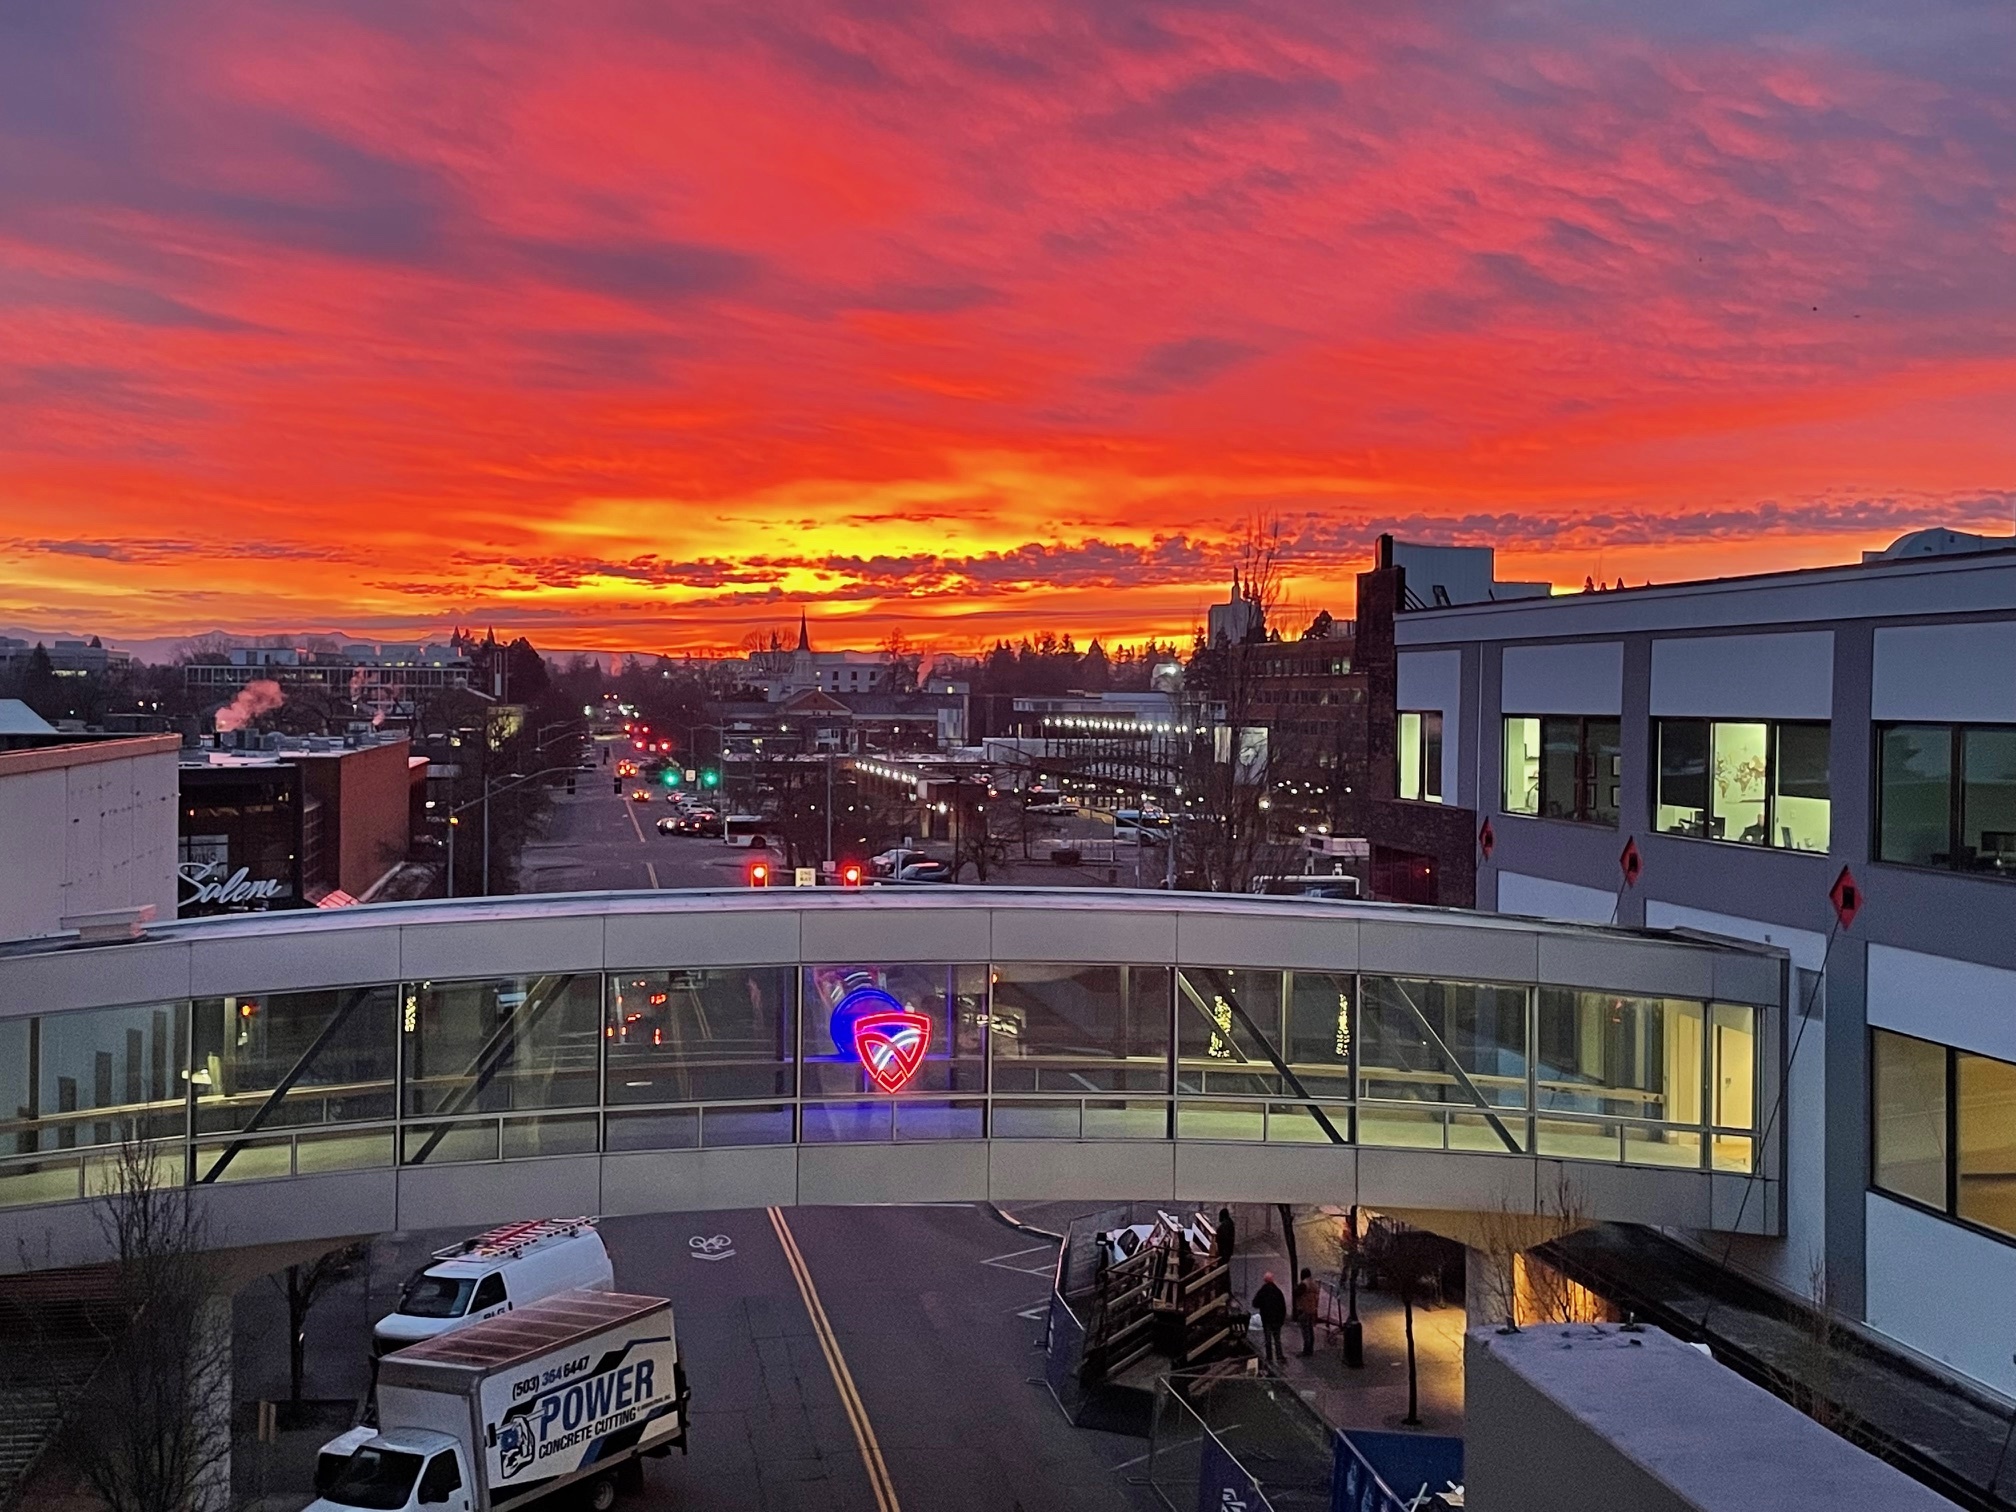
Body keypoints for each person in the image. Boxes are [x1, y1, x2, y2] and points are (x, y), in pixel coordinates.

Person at [1252, 1272, 1287, 1364]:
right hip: (1277, 1320)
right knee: (1277, 1339)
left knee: (1268, 1339)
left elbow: (1255, 1303)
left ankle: (1269, 1357)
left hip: (1267, 1319)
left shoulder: (1262, 1291)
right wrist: (1282, 1319)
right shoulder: (1278, 1291)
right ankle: (1279, 1356)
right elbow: (1283, 1306)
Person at [1293, 1268, 1319, 1356]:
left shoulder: (1304, 1284)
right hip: (1312, 1310)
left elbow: (1296, 1293)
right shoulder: (1314, 1284)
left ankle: (1306, 1350)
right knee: (1310, 1330)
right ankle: (1310, 1349)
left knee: (1305, 1331)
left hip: (1303, 1310)